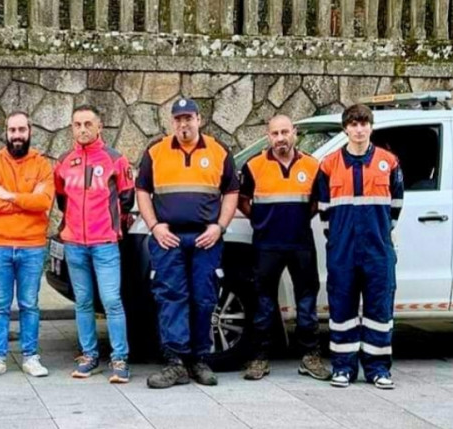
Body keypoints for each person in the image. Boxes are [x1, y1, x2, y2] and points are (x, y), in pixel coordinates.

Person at [137, 98, 238, 389]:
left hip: (205, 239)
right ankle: (175, 362)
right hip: (168, 239)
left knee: (204, 297)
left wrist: (220, 227)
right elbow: (142, 190)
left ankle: (199, 360)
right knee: (171, 298)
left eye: (188, 118)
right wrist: (154, 226)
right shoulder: (156, 152)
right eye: (178, 119)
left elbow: (231, 191)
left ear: (199, 119)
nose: (184, 124)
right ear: (172, 122)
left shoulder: (218, 151)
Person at [315, 104, 403, 389]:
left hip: (378, 249)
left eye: (364, 123)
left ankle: (378, 369)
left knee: (379, 309)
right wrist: (339, 238)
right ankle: (343, 367)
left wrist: (380, 234)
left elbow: (396, 207)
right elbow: (324, 211)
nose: (359, 129)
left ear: (371, 127)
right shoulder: (328, 165)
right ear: (345, 129)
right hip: (342, 250)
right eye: (353, 124)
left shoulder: (388, 162)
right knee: (342, 309)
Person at [238, 115, 330, 381]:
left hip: (301, 243)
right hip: (266, 244)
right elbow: (243, 200)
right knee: (263, 302)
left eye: (285, 132)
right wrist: (259, 220)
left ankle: (310, 356)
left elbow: (317, 202)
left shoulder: (313, 166)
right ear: (268, 136)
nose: (280, 138)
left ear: (295, 133)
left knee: (307, 300)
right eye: (275, 133)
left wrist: (302, 219)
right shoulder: (254, 166)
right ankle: (259, 358)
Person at [53, 105, 134, 383]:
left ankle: (120, 358)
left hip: (105, 244)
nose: (83, 129)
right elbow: (62, 200)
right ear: (72, 128)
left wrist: (113, 227)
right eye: (77, 124)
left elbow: (126, 198)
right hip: (74, 243)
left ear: (100, 126)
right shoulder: (64, 161)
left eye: (88, 123)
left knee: (111, 301)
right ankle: (89, 355)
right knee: (83, 302)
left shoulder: (116, 159)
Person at [0, 112, 54, 379]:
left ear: (30, 131)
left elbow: (44, 202)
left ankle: (30, 356)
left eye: (22, 129)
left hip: (32, 246)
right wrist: (26, 199)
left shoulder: (42, 165)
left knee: (29, 304)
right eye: (12, 130)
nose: (17, 135)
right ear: (6, 133)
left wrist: (9, 195)